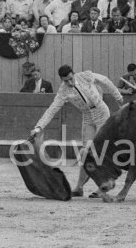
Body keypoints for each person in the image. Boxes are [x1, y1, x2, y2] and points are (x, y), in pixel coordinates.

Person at [30, 65, 124, 197]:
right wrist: (39, 127)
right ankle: (79, 187)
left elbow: (105, 80)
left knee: (99, 151)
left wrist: (118, 97)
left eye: (70, 78)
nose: (69, 82)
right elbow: (52, 110)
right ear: (62, 80)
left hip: (101, 112)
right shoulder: (63, 91)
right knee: (86, 152)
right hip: (87, 116)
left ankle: (102, 186)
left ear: (73, 74)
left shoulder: (85, 76)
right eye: (66, 81)